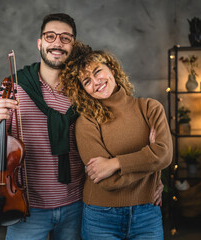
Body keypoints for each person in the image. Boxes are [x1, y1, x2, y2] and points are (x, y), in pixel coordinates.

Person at [0, 13, 84, 240]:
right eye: (50, 36)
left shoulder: (84, 91)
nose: (57, 43)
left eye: (65, 38)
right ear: (40, 43)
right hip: (26, 205)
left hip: (75, 205)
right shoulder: (13, 86)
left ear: (73, 46)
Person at [59, 42, 173, 240]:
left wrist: (115, 163)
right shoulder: (86, 122)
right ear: (83, 90)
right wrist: (152, 166)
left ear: (111, 68)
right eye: (86, 81)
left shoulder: (150, 108)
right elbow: (108, 181)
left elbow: (165, 156)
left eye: (97, 71)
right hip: (100, 217)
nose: (95, 82)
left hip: (147, 213)